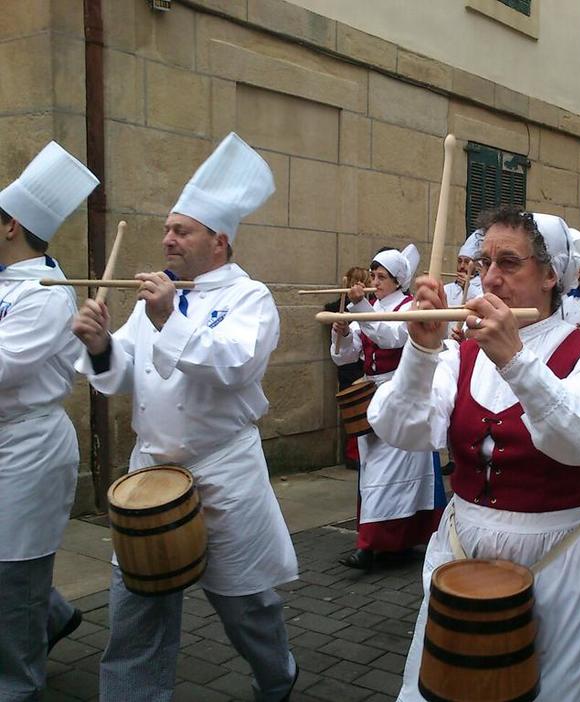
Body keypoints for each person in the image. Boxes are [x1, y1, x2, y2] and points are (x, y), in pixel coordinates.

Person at [368, 206, 580, 701]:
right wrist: (421, 354)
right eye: (486, 260)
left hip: (561, 551)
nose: (489, 276)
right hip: (463, 548)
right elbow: (400, 428)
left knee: (557, 691)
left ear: (551, 274)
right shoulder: (459, 352)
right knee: (445, 684)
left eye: (509, 263)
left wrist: (516, 361)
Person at [71, 133, 299, 701]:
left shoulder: (251, 297)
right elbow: (126, 370)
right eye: (168, 229)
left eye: (182, 230)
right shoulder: (160, 296)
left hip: (224, 471)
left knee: (245, 605)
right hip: (151, 474)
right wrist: (101, 344)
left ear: (218, 241)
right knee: (135, 611)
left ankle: (277, 677)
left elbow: (235, 365)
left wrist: (168, 314)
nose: (168, 239)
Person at [0, 142, 99, 701]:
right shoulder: (8, 282)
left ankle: (17, 686)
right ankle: (54, 615)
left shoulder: (43, 293)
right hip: (7, 439)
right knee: (10, 569)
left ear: (12, 226)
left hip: (28, 443)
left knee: (14, 574)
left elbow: (2, 365)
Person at [330, 245, 444, 571]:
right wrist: (341, 334)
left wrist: (360, 308)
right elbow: (346, 356)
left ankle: (371, 545)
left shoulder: (408, 307)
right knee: (373, 469)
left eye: (381, 277)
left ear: (397, 281)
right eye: (373, 275)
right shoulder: (372, 305)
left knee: (390, 471)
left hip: (400, 391)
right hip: (372, 392)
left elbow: (391, 336)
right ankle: (385, 539)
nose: (375, 282)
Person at [324, 266, 369, 470]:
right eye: (355, 281)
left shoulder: (370, 306)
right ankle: (353, 454)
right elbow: (343, 352)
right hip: (350, 369)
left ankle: (358, 453)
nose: (359, 286)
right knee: (353, 411)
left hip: (362, 368)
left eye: (363, 281)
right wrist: (342, 330)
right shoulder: (338, 305)